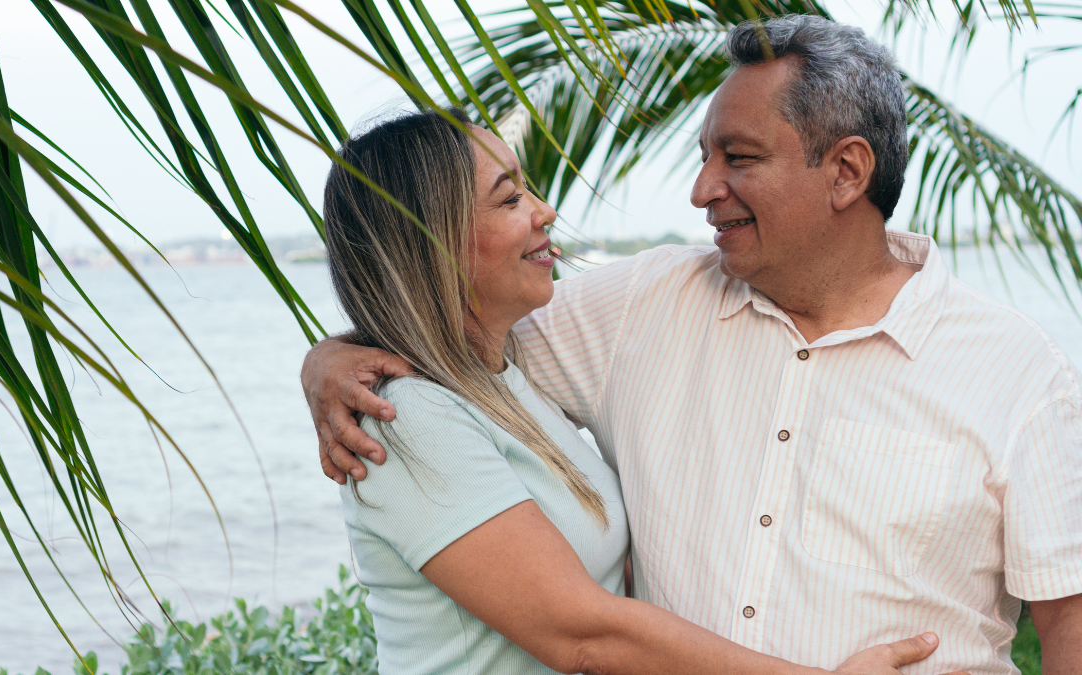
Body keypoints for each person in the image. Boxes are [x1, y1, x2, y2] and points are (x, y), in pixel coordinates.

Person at [304, 14, 1082, 675]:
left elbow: (1069, 617)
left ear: (846, 172)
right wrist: (333, 358)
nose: (702, 188)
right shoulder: (638, 305)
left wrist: (337, 358)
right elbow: (450, 345)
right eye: (705, 154)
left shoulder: (1015, 368)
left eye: (737, 158)